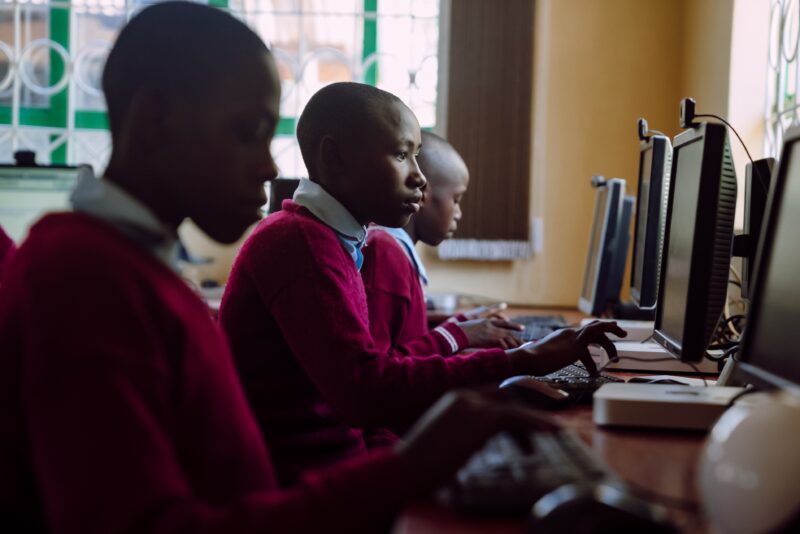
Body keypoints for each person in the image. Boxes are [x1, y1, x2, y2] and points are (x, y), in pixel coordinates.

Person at [0, 3, 559, 532]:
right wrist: (411, 466)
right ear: (155, 119)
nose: (269, 165)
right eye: (247, 132)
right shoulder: (84, 282)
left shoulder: (130, 267)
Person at [219, 81, 625, 486]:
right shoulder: (301, 244)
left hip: (333, 465)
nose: (420, 179)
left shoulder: (332, 241)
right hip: (305, 484)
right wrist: (521, 360)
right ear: (334, 158)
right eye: (401, 156)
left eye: (416, 157)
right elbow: (367, 392)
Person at [361, 131, 524, 354]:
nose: (458, 213)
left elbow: (407, 335)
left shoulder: (394, 248)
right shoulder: (384, 253)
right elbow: (379, 367)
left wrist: (461, 323)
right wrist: (462, 335)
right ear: (422, 193)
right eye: (455, 199)